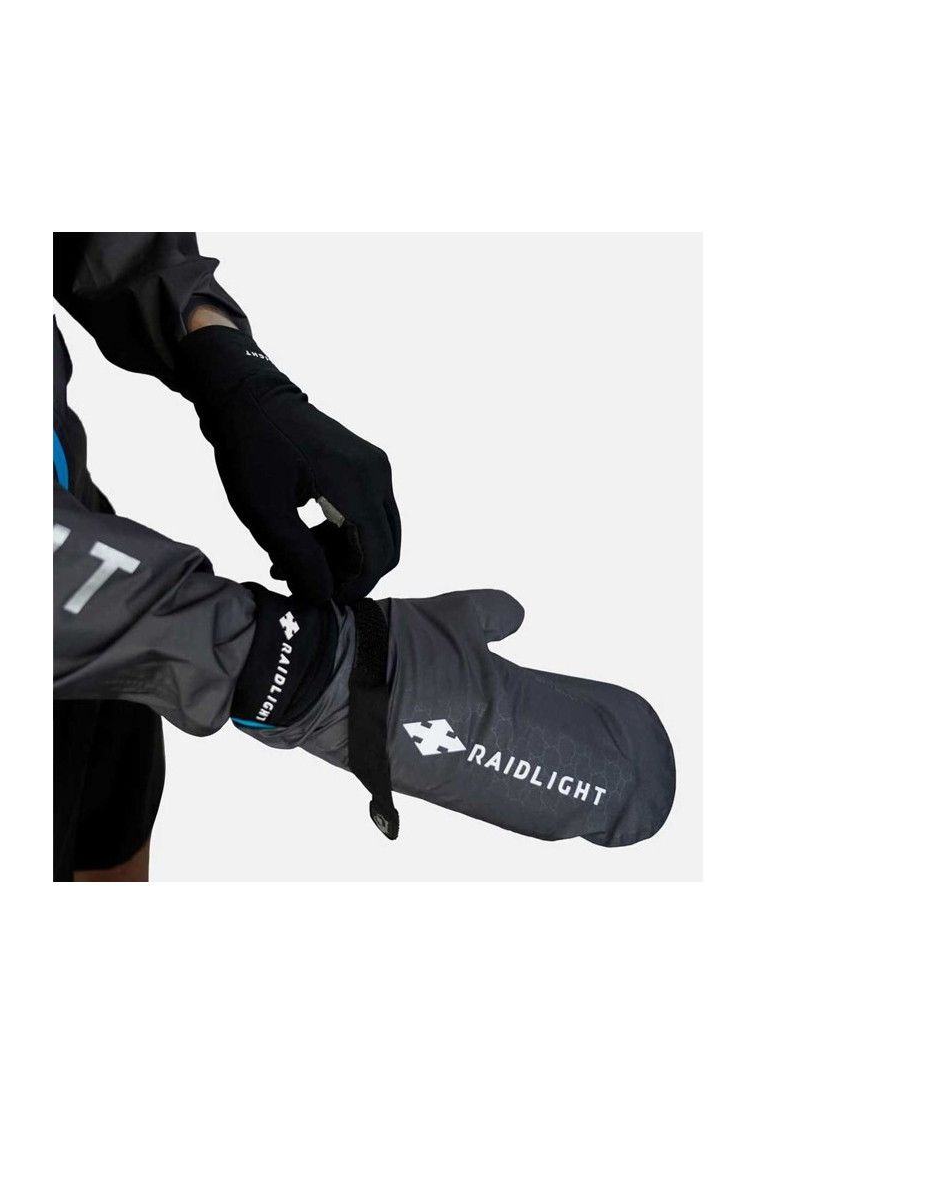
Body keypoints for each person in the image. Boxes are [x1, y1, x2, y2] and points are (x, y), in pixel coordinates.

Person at [54, 233, 676, 884]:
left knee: (107, 836)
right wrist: (293, 664)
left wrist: (223, 354)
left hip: (109, 594)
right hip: (104, 619)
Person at [53, 232, 400, 881]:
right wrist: (270, 655)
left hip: (102, 572)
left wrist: (227, 359)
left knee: (109, 840)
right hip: (97, 606)